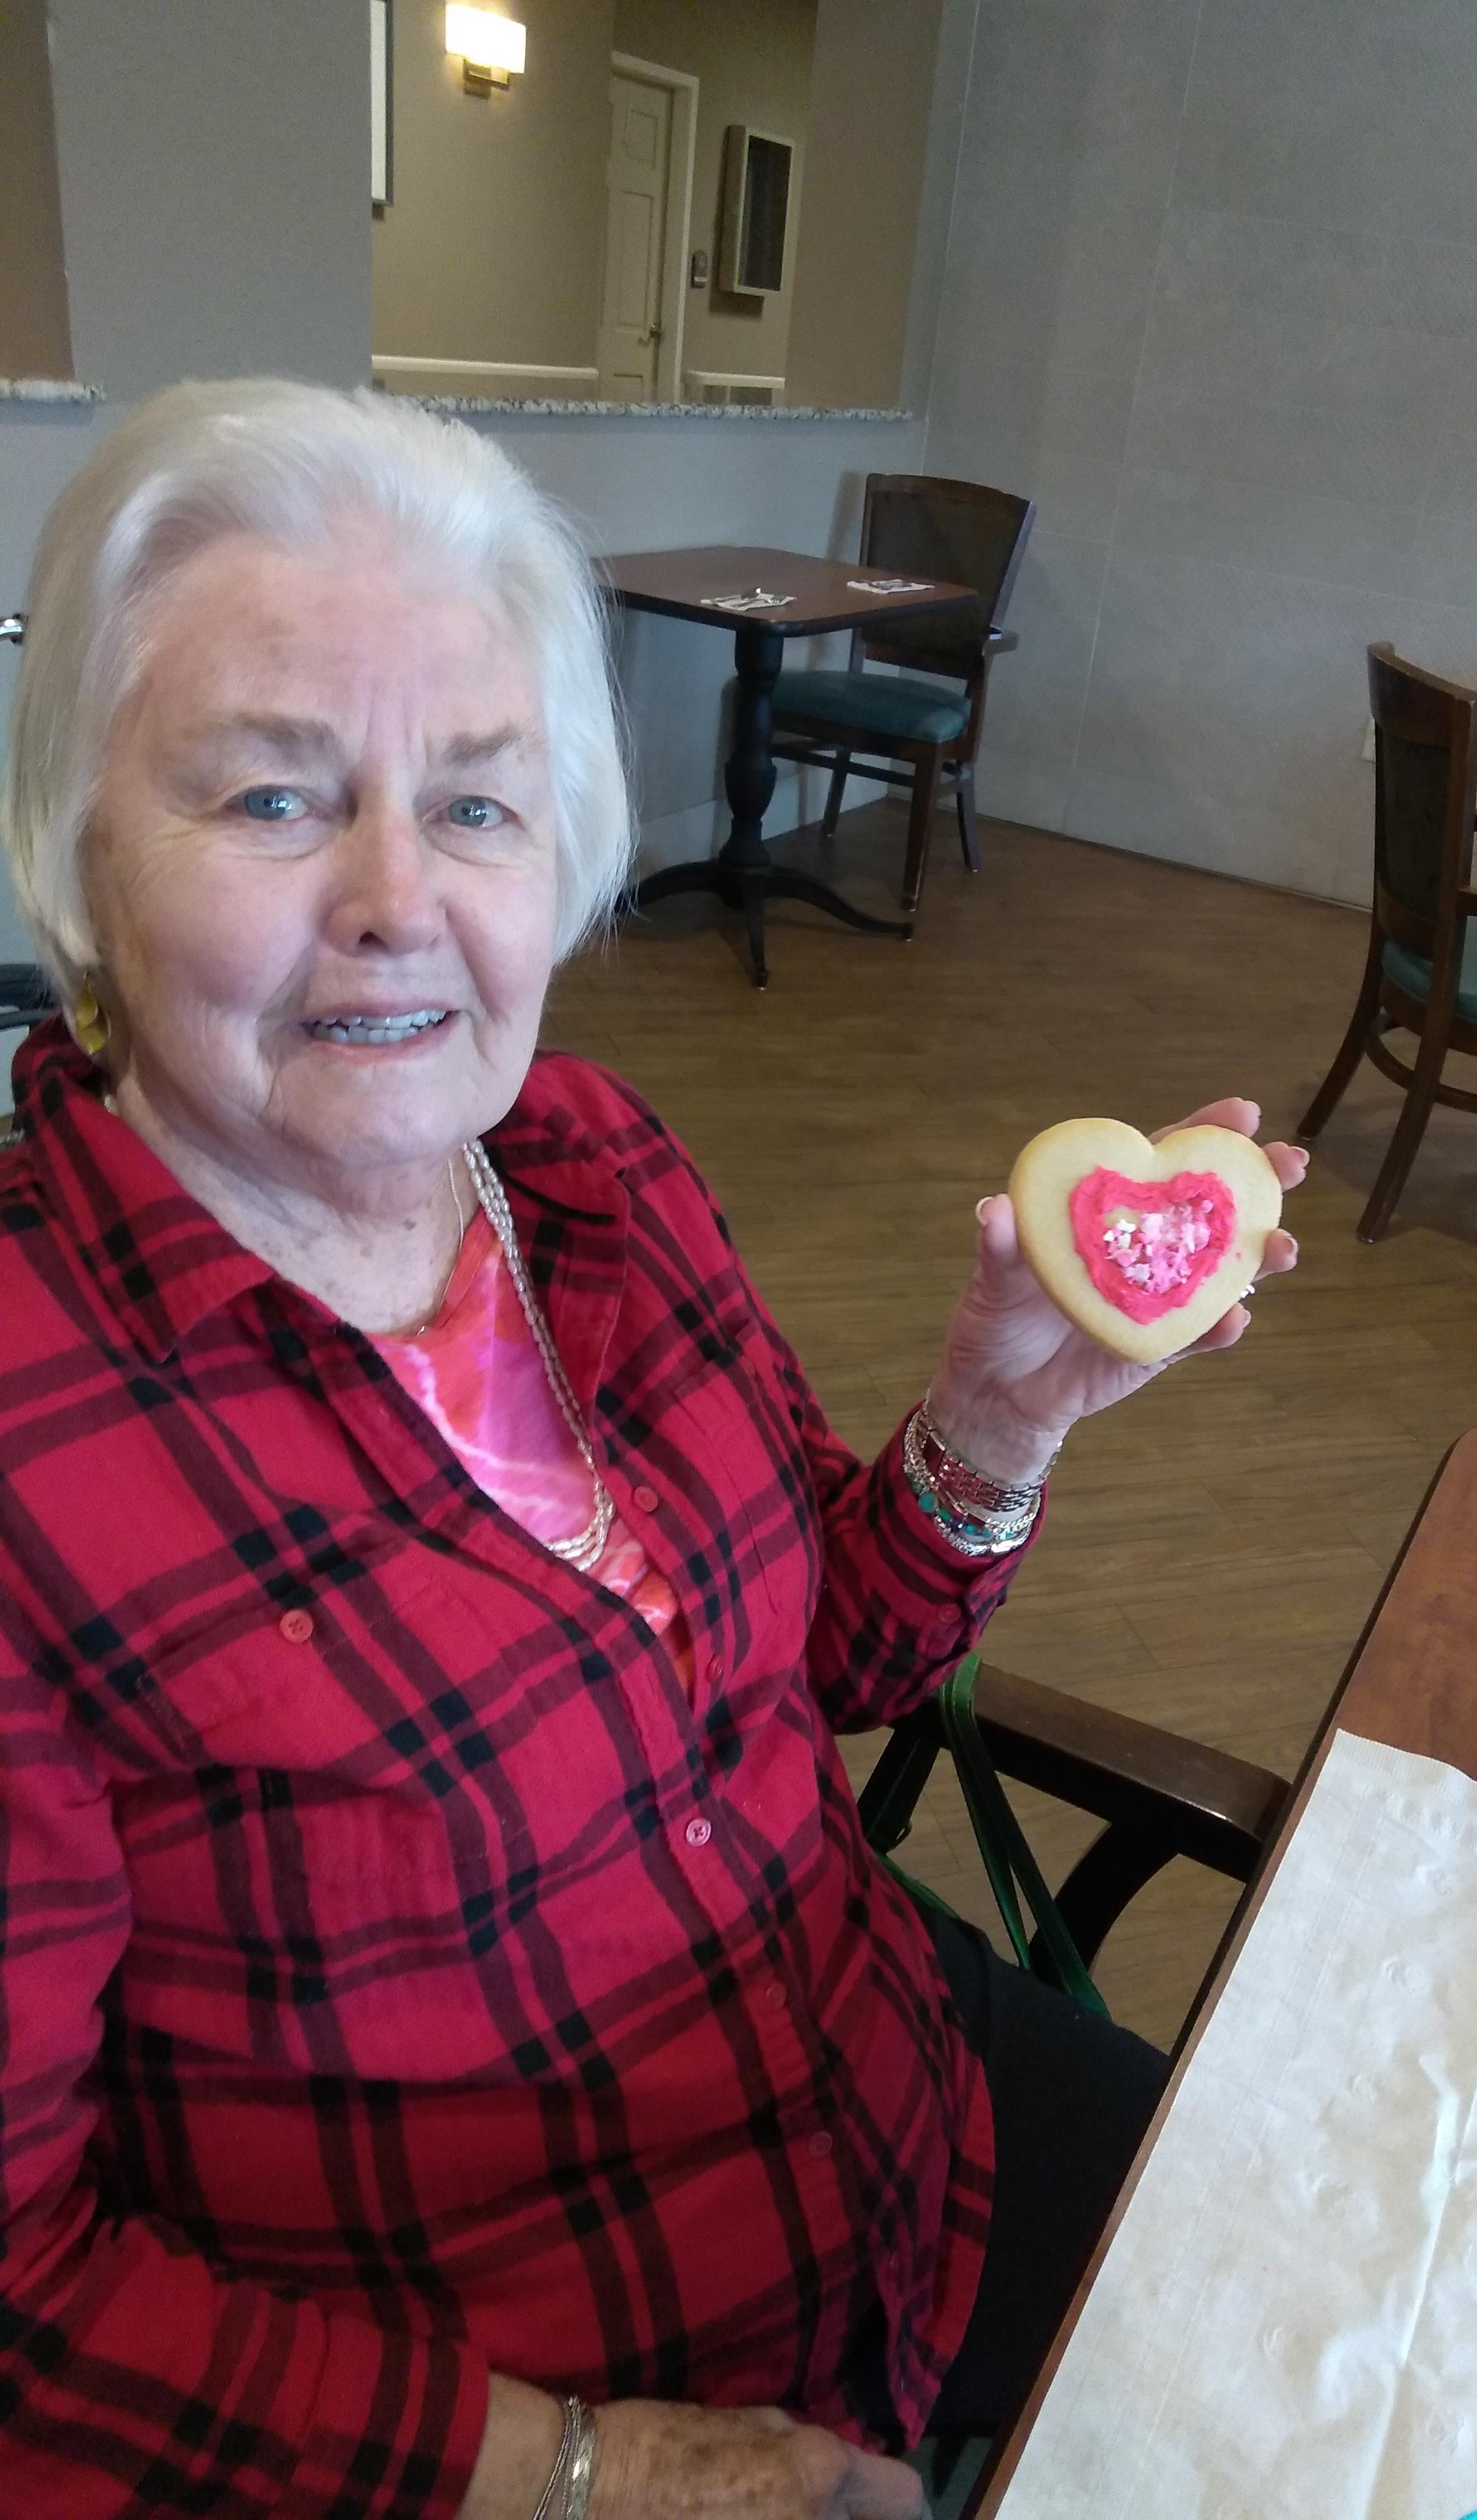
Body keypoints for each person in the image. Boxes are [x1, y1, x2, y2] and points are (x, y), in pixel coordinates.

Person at [0, 380, 1304, 2520]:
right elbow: (27, 2307)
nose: (399, 895)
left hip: (898, 2108)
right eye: (268, 797)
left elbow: (839, 1664)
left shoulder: (589, 1168)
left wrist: (999, 1411)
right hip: (507, 2388)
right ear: (74, 850)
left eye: (485, 808)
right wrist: (589, 2473)